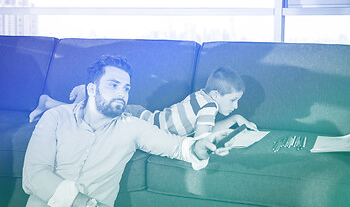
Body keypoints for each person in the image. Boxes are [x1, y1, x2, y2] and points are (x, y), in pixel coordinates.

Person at [22, 55, 232, 207]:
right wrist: (85, 204)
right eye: (113, 85)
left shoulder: (131, 126)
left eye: (126, 88)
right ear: (92, 89)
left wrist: (200, 146)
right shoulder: (56, 117)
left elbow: (177, 147)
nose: (122, 93)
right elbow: (34, 175)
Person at [29, 67, 257, 137]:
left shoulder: (202, 95)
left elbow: (202, 127)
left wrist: (236, 119)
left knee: (94, 113)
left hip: (144, 115)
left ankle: (51, 102)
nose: (236, 105)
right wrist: (229, 133)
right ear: (216, 95)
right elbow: (202, 137)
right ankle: (74, 97)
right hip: (139, 120)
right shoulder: (209, 106)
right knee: (88, 117)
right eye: (234, 100)